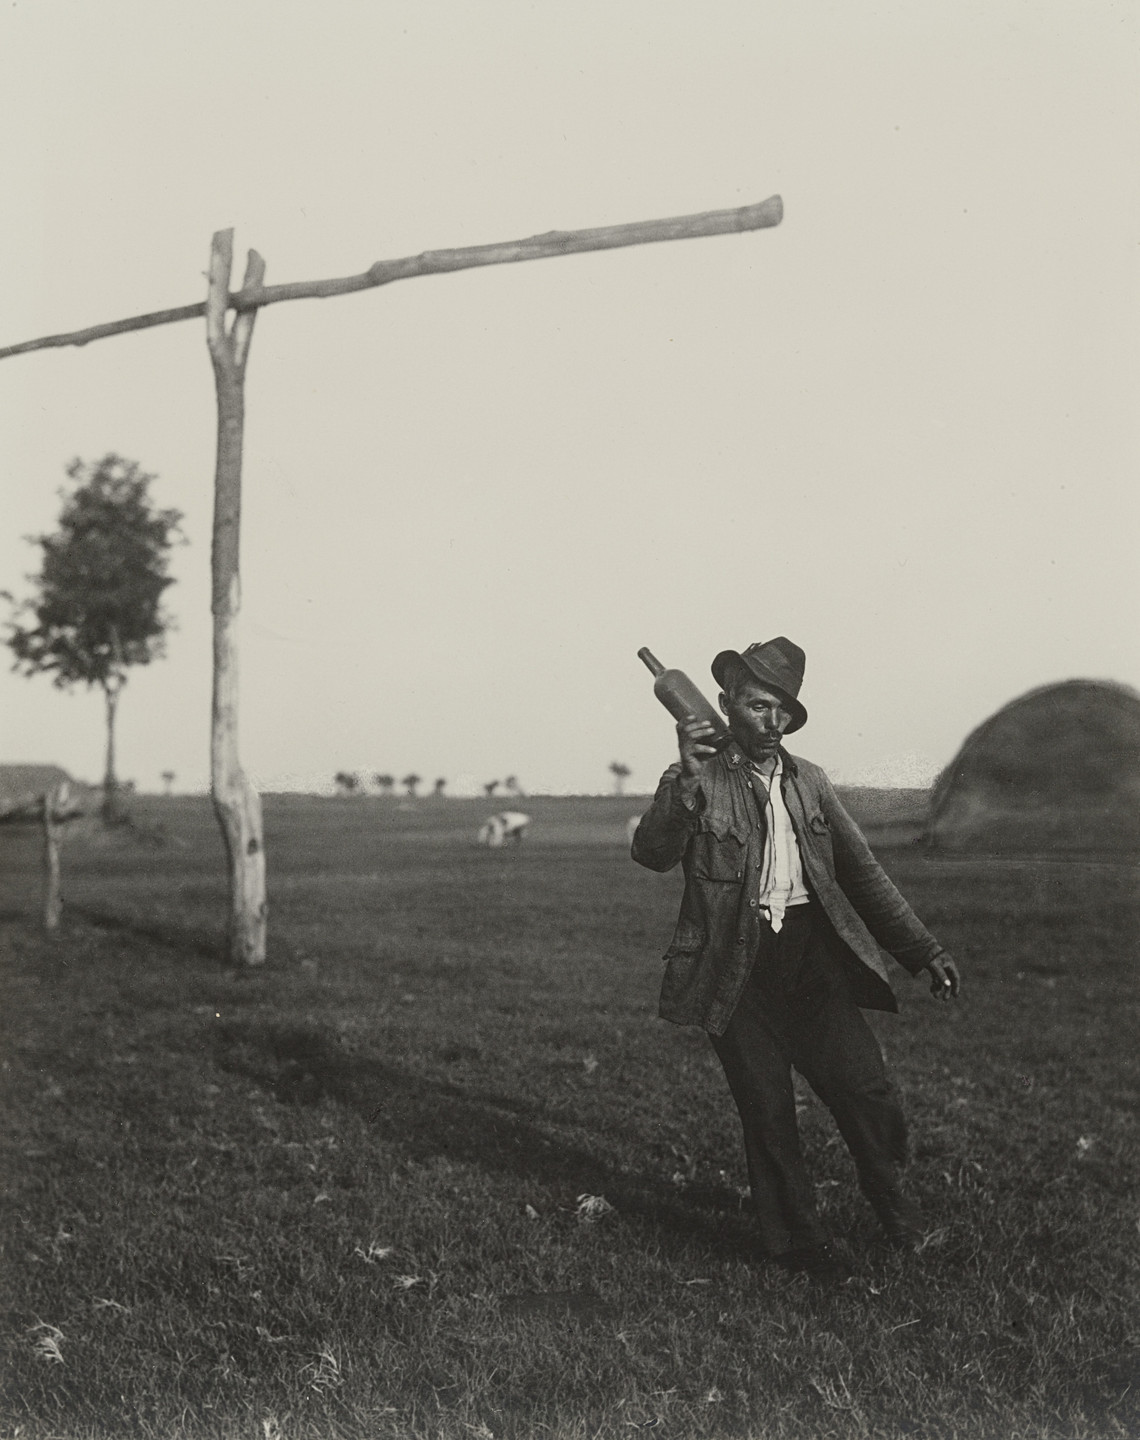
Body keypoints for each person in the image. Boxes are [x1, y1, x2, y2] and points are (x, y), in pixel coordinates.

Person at [631, 637, 960, 1283]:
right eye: (758, 707)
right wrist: (686, 781)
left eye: (784, 710)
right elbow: (652, 852)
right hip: (735, 966)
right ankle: (800, 1245)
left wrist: (924, 950)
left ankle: (895, 1208)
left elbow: (862, 874)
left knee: (866, 1089)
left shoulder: (809, 781)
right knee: (768, 1110)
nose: (773, 723)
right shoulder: (695, 778)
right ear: (725, 706)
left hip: (810, 958)